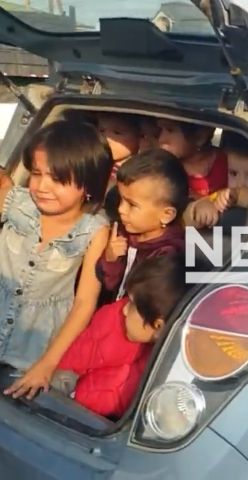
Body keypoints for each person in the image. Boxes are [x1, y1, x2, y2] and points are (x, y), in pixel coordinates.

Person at [0, 120, 113, 400]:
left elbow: (85, 301)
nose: (42, 187)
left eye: (58, 179)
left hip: (35, 346)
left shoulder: (94, 229)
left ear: (89, 184)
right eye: (37, 174)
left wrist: (47, 365)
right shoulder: (14, 201)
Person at [51, 254, 186, 418]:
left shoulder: (178, 360)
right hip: (80, 412)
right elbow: (72, 363)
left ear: (158, 326)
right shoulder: (114, 323)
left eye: (132, 305)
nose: (124, 309)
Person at [96, 148, 189, 301]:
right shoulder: (123, 232)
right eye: (121, 200)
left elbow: (145, 302)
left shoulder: (168, 256)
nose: (121, 209)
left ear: (166, 215)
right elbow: (109, 285)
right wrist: (111, 259)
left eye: (131, 205)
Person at [184, 131, 248, 228]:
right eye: (233, 173)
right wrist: (198, 208)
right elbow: (184, 221)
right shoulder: (223, 195)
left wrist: (238, 194)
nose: (240, 183)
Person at [157, 119, 227, 199]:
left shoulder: (228, 162)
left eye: (170, 130)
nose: (161, 139)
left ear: (200, 136)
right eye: (160, 130)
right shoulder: (163, 167)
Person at [95, 113, 141, 181]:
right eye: (102, 131)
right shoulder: (94, 166)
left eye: (117, 133)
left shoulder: (140, 172)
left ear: (139, 137)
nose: (106, 138)